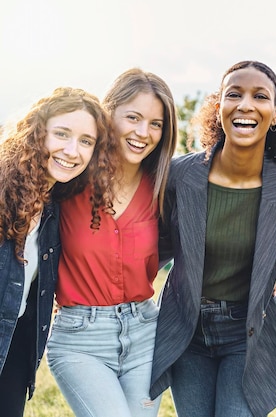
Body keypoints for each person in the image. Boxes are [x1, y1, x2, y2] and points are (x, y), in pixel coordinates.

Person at [149, 60, 276, 417]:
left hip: (249, 332)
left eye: (260, 96)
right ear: (219, 106)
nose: (245, 105)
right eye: (234, 94)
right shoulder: (179, 175)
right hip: (186, 328)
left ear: (275, 114)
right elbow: (145, 242)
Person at [46, 68, 178, 417]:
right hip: (79, 340)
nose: (142, 133)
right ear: (109, 115)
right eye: (132, 118)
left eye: (155, 123)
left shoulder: (164, 188)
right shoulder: (69, 179)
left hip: (146, 335)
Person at [0, 86, 118, 417]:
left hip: (13, 352)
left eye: (86, 141)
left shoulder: (54, 208)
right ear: (38, 133)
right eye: (62, 134)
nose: (72, 150)